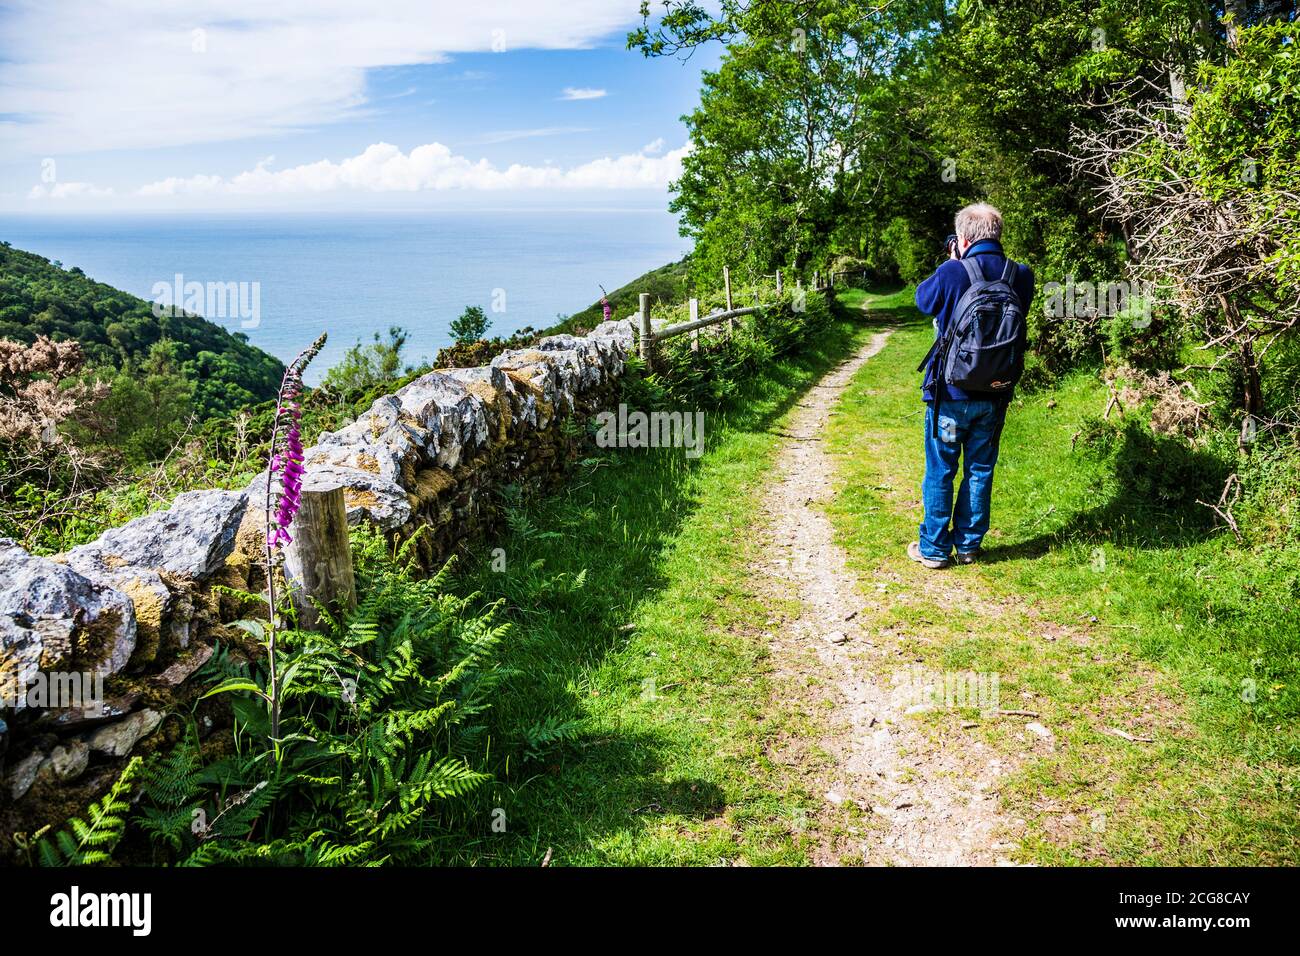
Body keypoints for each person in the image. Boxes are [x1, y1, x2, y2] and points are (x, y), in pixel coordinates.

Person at [909, 203, 1035, 569]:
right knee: (980, 468)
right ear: (997, 234)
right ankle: (968, 546)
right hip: (995, 393)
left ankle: (933, 549)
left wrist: (952, 261)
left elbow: (923, 301)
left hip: (950, 393)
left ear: (962, 238)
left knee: (941, 469)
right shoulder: (1021, 275)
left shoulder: (952, 271)